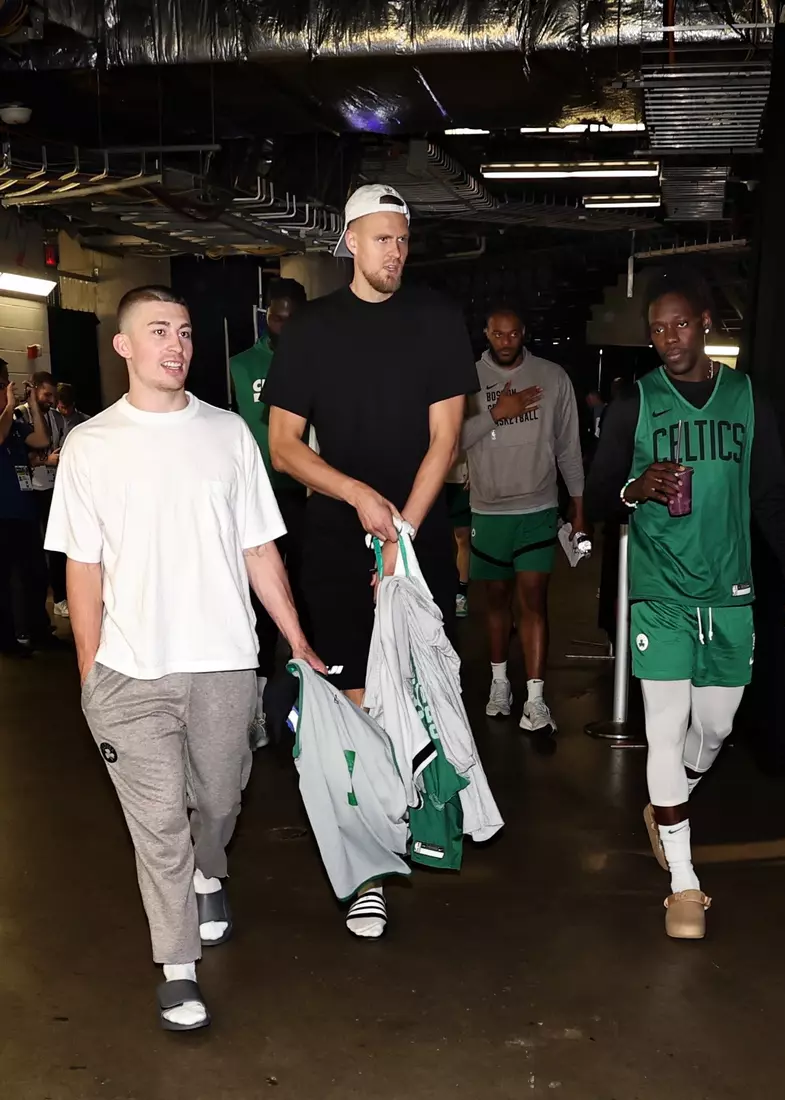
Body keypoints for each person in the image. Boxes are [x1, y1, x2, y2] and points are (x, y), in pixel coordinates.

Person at [45, 285, 323, 1032]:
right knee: (158, 822)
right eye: (159, 330)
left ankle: (211, 871)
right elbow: (83, 568)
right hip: (130, 672)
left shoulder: (230, 433)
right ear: (124, 346)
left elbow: (259, 548)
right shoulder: (90, 445)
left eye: (187, 332)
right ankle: (176, 968)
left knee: (222, 799)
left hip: (224, 662)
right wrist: (90, 674)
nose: (177, 344)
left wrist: (293, 636)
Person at [262, 183, 476, 937]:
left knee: (420, 689)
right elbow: (284, 447)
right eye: (381, 239)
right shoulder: (313, 331)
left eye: (404, 240)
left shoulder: (437, 320)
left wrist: (402, 536)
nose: (395, 253)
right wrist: (355, 494)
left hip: (413, 538)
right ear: (349, 241)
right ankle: (370, 870)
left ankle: (418, 817)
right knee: (354, 698)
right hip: (333, 538)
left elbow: (445, 441)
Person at [585, 266, 785, 940]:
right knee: (664, 724)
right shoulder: (638, 401)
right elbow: (600, 497)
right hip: (661, 591)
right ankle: (684, 884)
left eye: (680, 324)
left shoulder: (746, 398)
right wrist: (636, 487)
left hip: (731, 590)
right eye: (656, 329)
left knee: (714, 727)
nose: (668, 338)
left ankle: (670, 800)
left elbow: (770, 493)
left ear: (706, 323)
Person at [460, 307, 584, 735]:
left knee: (533, 598)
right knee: (496, 600)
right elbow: (449, 439)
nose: (506, 341)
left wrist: (578, 506)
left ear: (524, 333)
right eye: (498, 334)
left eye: (513, 334)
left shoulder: (552, 377)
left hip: (537, 506)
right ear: (487, 333)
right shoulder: (466, 378)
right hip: (488, 509)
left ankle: (535, 698)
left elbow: (569, 446)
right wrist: (499, 411)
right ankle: (500, 686)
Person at [230, 277, 309, 748]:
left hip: (308, 496)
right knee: (258, 601)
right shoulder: (242, 364)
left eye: (292, 315)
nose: (283, 323)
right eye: (276, 315)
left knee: (305, 597)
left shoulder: (318, 359)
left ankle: (308, 699)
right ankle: (258, 705)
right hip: (258, 497)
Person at [0, 359, 54, 656]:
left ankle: (38, 630)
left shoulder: (18, 426)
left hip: (25, 512)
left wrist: (32, 403)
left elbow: (42, 438)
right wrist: (10, 404)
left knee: (35, 574)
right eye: (2, 384)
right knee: (8, 583)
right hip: (3, 516)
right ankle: (9, 639)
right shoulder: (6, 421)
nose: (8, 388)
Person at [445, 454, 471, 618]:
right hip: (433, 478)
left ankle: (461, 594)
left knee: (462, 537)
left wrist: (475, 467)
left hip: (459, 479)